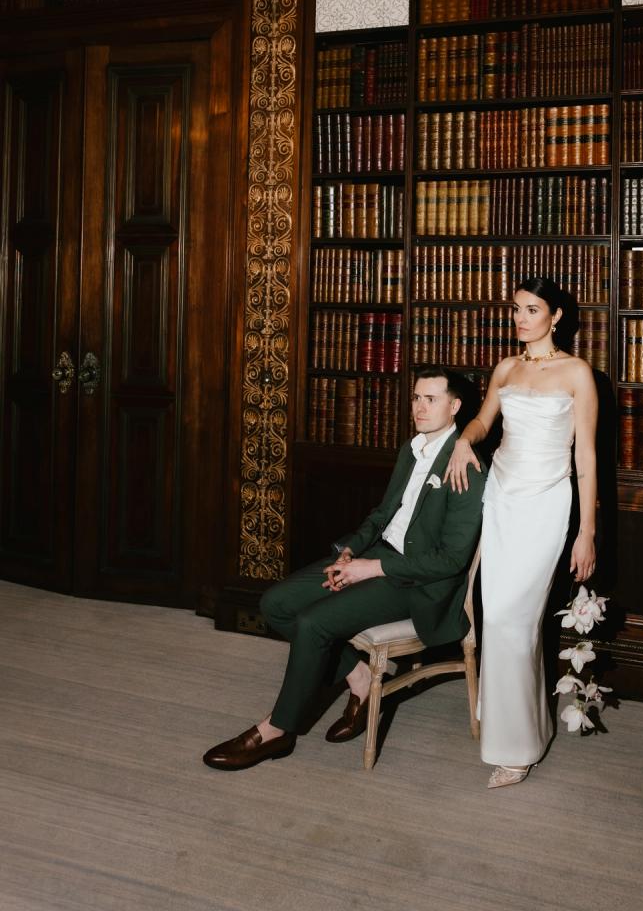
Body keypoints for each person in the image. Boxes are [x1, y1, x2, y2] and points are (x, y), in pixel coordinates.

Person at [203, 366, 485, 771]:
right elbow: (384, 513)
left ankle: (277, 730)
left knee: (313, 623)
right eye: (416, 398)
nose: (420, 408)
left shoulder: (466, 466)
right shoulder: (413, 448)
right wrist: (350, 550)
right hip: (377, 556)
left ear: (455, 406)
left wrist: (373, 568)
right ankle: (360, 678)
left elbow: (451, 560)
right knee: (277, 603)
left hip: (417, 583)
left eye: (431, 399)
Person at [444, 277, 598, 790]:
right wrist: (465, 442)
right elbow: (484, 423)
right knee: (499, 620)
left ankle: (520, 747)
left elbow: (586, 457)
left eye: (532, 310)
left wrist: (587, 532)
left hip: (546, 504)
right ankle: (521, 729)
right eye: (516, 309)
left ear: (556, 317)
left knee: (517, 620)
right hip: (502, 500)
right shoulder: (506, 368)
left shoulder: (577, 373)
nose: (520, 318)